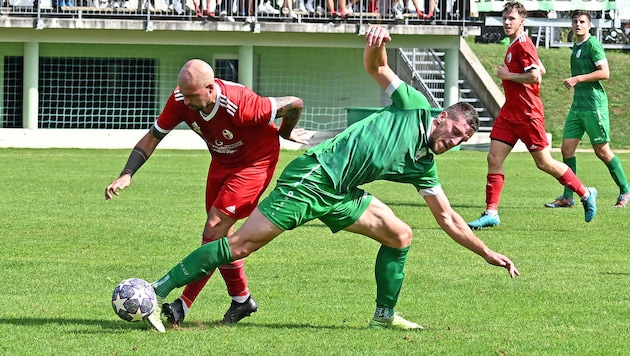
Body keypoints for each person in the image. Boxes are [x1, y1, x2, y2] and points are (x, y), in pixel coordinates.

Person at [145, 24, 520, 333]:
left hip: (341, 193)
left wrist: (487, 253)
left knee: (401, 235)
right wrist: (377, 43)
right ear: (441, 117)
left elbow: (449, 218)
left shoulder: (424, 165)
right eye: (452, 131)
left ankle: (383, 318)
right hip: (312, 177)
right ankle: (155, 289)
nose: (452, 141)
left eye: (461, 140)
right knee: (240, 245)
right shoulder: (414, 105)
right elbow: (378, 69)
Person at [105, 59, 310, 332]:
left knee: (214, 229)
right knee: (220, 236)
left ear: (210, 88)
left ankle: (182, 303)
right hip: (222, 163)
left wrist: (285, 132)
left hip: (255, 164)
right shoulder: (180, 98)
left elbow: (294, 103)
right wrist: (127, 173)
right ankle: (242, 299)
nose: (185, 101)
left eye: (191, 95)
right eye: (183, 94)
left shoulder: (243, 105)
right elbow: (153, 136)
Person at [467, 1, 598, 230]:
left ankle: (586, 193)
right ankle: (491, 212)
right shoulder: (515, 44)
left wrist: (509, 76)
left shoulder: (523, 45)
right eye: (505, 18)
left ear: (522, 21)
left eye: (512, 19)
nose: (507, 23)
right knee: (494, 158)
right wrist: (514, 75)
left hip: (528, 114)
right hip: (510, 113)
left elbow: (536, 77)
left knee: (545, 163)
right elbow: (539, 68)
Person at [545, 10, 630, 209]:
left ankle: (625, 190)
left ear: (589, 25)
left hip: (594, 106)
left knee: (602, 151)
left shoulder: (593, 45)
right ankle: (568, 197)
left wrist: (577, 79)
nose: (578, 25)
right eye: (575, 21)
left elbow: (605, 73)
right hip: (578, 107)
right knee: (566, 149)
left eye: (582, 21)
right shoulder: (576, 46)